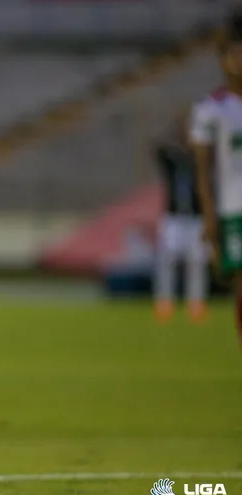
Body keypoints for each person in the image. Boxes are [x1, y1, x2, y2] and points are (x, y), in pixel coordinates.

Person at [190, 11, 242, 346]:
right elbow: (203, 171)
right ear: (222, 60)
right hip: (234, 210)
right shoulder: (212, 109)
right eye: (235, 55)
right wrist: (209, 218)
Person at [151, 113, 209, 323]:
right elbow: (156, 146)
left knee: (197, 262)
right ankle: (164, 302)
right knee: (167, 259)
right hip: (174, 217)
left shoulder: (200, 161)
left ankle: (196, 303)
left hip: (195, 217)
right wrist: (174, 130)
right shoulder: (173, 159)